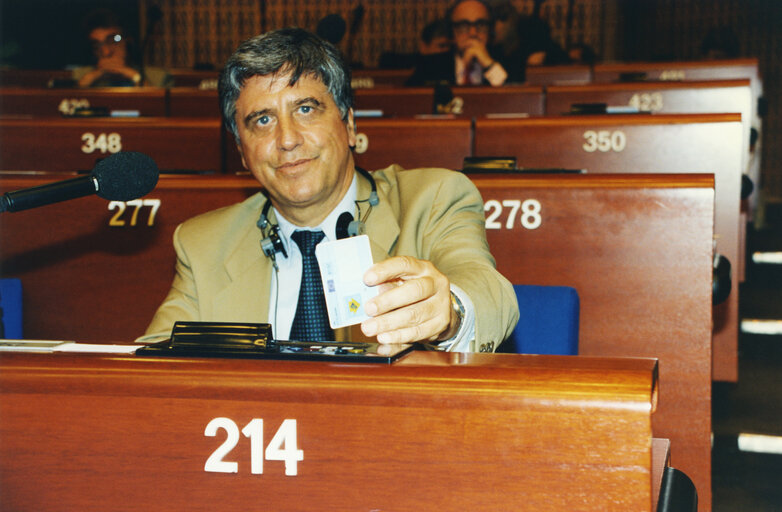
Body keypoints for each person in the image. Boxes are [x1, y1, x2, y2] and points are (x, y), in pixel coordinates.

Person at [141, 28, 518, 352]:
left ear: (349, 125)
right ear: (241, 152)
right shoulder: (203, 243)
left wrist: (449, 311)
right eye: (262, 119)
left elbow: (488, 292)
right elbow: (152, 372)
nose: (286, 139)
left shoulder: (431, 199)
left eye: (305, 109)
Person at [406, 0, 510, 87]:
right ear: (452, 32)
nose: (473, 33)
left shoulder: (507, 61)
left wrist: (489, 65)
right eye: (463, 26)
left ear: (490, 31)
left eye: (481, 25)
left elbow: (516, 100)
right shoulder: (430, 65)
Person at [72, 8, 171, 88]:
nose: (106, 52)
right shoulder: (81, 76)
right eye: (97, 45)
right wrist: (93, 77)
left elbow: (157, 107)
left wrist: (134, 76)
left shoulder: (158, 78)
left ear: (128, 41)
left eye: (113, 41)